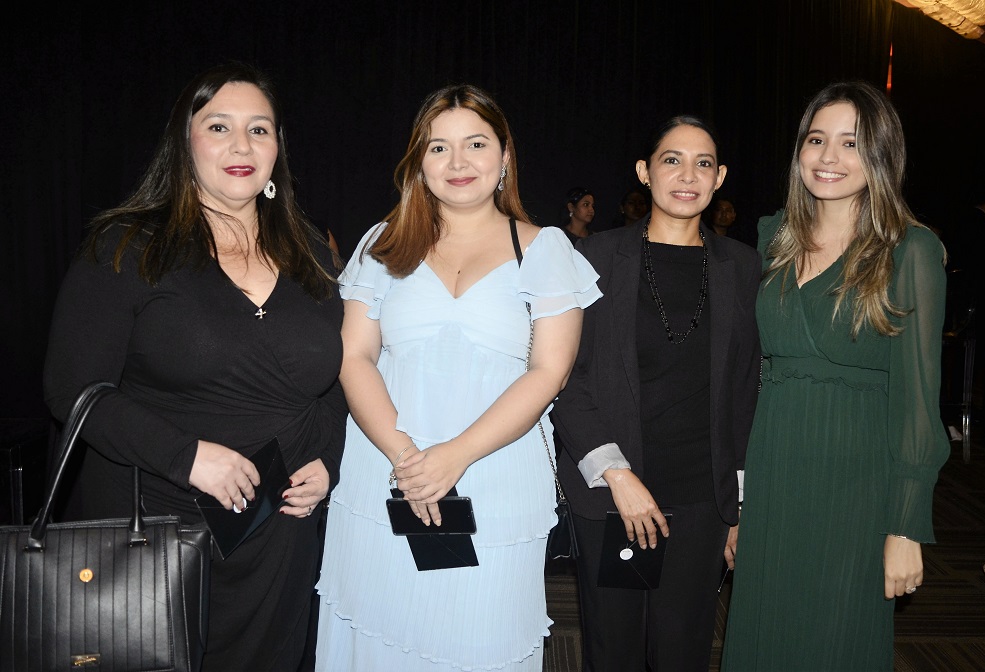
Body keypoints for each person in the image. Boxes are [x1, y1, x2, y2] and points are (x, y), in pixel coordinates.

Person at [42, 63, 347, 671]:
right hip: (155, 531)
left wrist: (329, 461)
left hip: (279, 533)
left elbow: (334, 380)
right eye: (219, 126)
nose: (242, 145)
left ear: (278, 149)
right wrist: (188, 456)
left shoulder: (310, 251)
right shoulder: (126, 246)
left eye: (260, 129)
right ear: (185, 145)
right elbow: (71, 391)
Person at [313, 84, 601, 671]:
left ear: (504, 156)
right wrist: (408, 457)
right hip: (386, 472)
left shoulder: (546, 251)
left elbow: (550, 372)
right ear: (419, 162)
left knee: (479, 637)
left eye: (475, 144)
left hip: (493, 480)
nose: (458, 162)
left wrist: (456, 456)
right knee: (379, 630)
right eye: (438, 148)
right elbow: (353, 358)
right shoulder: (383, 242)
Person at [720, 81, 951, 671]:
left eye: (851, 143)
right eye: (816, 140)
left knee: (832, 643)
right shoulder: (773, 235)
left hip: (855, 487)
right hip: (774, 475)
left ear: (881, 156)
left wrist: (905, 526)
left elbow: (921, 404)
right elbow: (750, 382)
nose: (829, 158)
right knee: (764, 634)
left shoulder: (909, 250)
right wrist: (743, 507)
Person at [553, 116, 761, 672]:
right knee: (614, 653)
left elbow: (745, 392)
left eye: (703, 163)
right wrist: (618, 476)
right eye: (672, 159)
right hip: (616, 495)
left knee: (681, 653)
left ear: (719, 178)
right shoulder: (592, 259)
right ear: (645, 172)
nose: (687, 174)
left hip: (700, 502)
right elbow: (561, 378)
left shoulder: (742, 267)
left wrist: (739, 508)